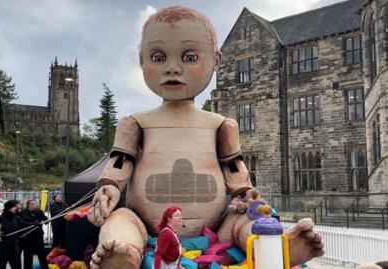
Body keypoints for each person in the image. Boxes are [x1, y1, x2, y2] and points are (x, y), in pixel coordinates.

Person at [87, 6, 323, 269]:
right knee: (120, 220)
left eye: (189, 57)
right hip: (145, 225)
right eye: (158, 57)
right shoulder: (136, 123)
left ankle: (275, 247)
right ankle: (124, 252)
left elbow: (234, 168)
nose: (173, 68)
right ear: (141, 59)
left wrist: (245, 193)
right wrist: (108, 187)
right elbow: (121, 162)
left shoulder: (220, 125)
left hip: (217, 226)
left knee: (244, 222)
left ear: (216, 61)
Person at [20, 200, 49, 269]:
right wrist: (33, 223)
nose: (34, 205)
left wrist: (47, 220)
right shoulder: (24, 212)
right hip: (29, 236)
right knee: (28, 255)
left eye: (34, 204)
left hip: (38, 235)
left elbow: (45, 220)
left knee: (41, 253)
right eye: (32, 204)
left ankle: (45, 267)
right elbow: (23, 222)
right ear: (28, 205)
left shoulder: (39, 211)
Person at [0, 200, 22, 269]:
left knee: (17, 266)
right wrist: (0, 234)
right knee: (1, 265)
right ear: (9, 208)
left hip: (14, 247)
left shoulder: (16, 218)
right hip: (3, 248)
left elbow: (24, 224)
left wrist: (35, 223)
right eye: (14, 207)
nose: (16, 208)